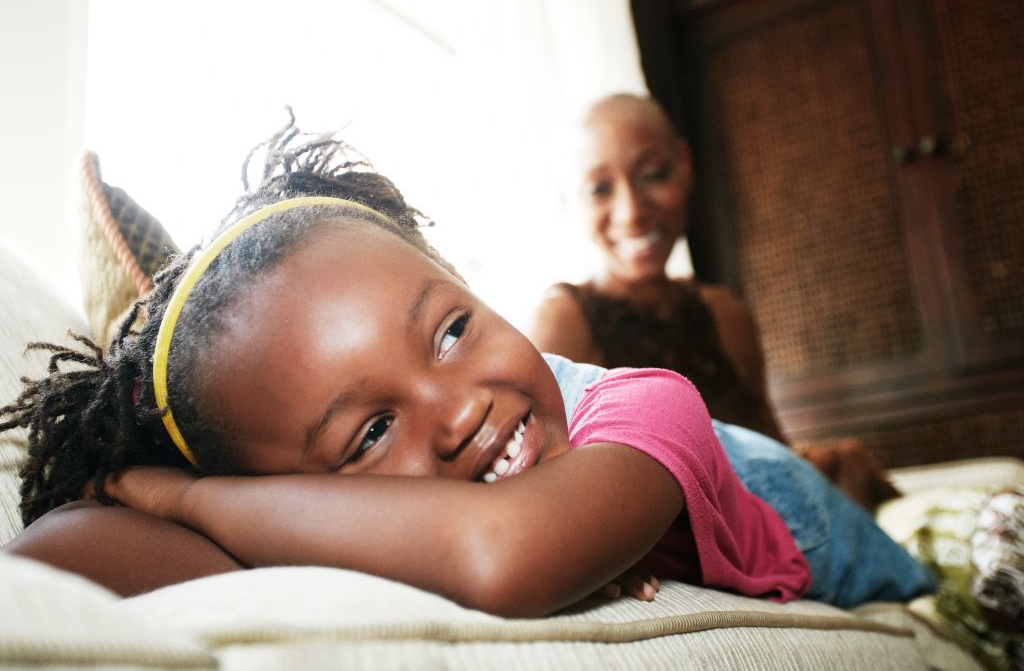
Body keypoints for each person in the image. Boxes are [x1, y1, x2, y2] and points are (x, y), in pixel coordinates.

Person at [0, 116, 934, 617]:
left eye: (451, 330)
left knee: (926, 560)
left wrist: (188, 500)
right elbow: (49, 562)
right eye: (368, 433)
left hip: (781, 505)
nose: (458, 413)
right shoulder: (316, 515)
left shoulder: (650, 408)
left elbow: (503, 552)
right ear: (296, 494)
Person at [529, 93, 899, 511]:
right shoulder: (565, 322)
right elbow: (553, 500)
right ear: (569, 200)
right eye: (599, 189)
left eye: (653, 174)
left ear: (685, 165)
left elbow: (771, 451)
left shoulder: (725, 313)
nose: (631, 212)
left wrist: (821, 470)